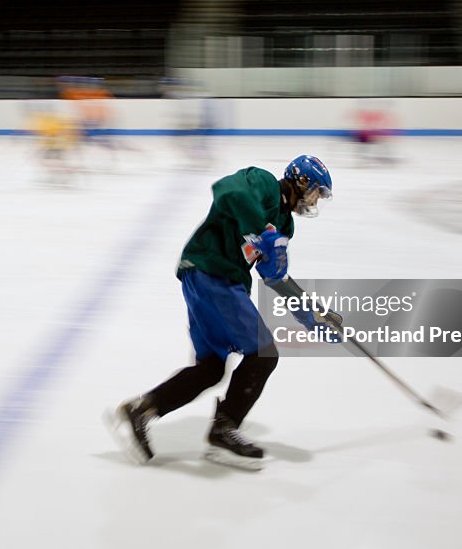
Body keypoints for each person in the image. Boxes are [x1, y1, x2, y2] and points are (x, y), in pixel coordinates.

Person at [107, 155, 334, 471]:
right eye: (315, 192)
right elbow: (227, 191)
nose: (314, 200)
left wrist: (308, 313)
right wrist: (261, 234)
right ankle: (223, 431)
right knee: (264, 353)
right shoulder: (264, 182)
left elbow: (274, 274)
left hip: (213, 280)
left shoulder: (285, 224)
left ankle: (141, 410)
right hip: (212, 272)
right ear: (301, 181)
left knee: (211, 369)